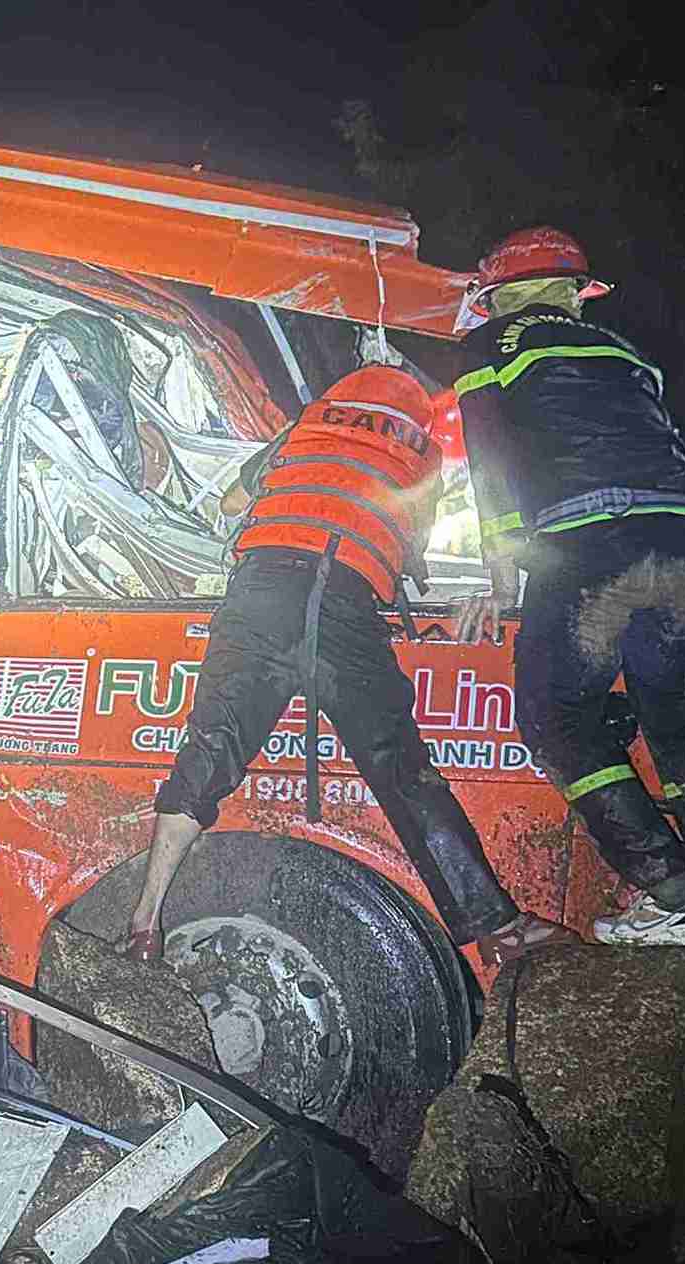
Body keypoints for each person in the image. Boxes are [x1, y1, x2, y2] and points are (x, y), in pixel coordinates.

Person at [121, 364, 570, 967]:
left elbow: (233, 502)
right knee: (400, 766)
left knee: (209, 748)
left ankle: (144, 922)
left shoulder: (307, 427)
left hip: (258, 591)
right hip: (341, 599)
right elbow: (410, 552)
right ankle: (498, 928)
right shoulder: (422, 454)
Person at [452, 226, 685, 946]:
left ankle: (676, 897)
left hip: (586, 549)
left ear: (501, 294)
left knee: (558, 719)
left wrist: (500, 571)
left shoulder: (491, 348)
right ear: (572, 292)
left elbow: (492, 465)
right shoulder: (623, 351)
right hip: (676, 548)